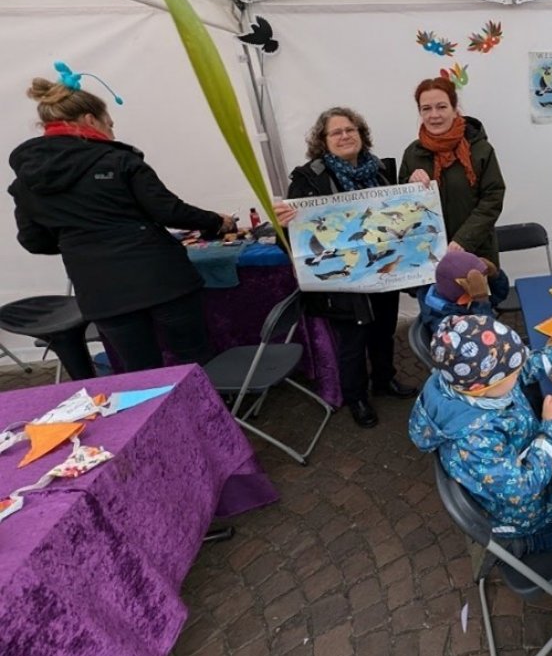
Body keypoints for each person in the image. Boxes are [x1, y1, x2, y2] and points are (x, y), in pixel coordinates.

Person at [9, 70, 235, 374]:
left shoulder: (26, 181)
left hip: (101, 290)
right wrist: (217, 222)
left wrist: (78, 242)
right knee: (194, 361)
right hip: (162, 279)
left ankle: (159, 421)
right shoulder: (119, 160)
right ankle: (206, 418)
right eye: (110, 125)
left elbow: (34, 241)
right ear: (90, 120)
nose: (112, 134)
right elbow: (170, 212)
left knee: (139, 372)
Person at [273, 106, 416, 429]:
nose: (344, 136)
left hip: (382, 270)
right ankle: (357, 397)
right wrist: (285, 224)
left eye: (350, 129)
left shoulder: (379, 171)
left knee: (383, 330)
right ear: (323, 141)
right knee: (352, 341)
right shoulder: (309, 179)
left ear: (361, 134)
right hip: (343, 278)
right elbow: (294, 237)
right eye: (336, 132)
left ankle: (384, 380)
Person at [409, 314, 552, 553]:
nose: (518, 376)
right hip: (531, 512)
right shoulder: (474, 442)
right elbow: (523, 488)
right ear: (484, 387)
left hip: (529, 458)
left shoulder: (470, 384)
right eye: (512, 374)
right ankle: (529, 545)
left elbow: (519, 371)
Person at [399, 78, 506, 266]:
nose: (434, 115)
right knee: (431, 297)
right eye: (426, 108)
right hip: (427, 256)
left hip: (474, 251)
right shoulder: (412, 153)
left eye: (441, 107)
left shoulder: (480, 150)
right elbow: (401, 208)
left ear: (455, 109)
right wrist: (410, 185)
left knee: (474, 296)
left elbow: (492, 199)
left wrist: (463, 240)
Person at [416, 249, 509, 336]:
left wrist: (495, 277)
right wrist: (481, 300)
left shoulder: (457, 300)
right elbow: (486, 336)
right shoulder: (444, 320)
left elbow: (499, 296)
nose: (483, 284)